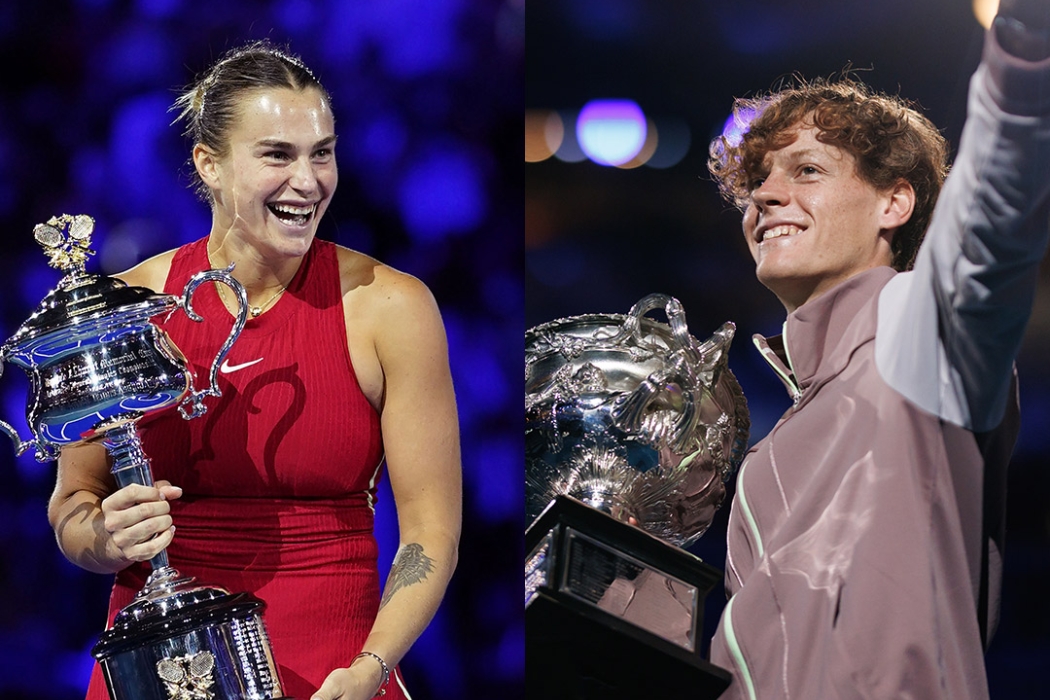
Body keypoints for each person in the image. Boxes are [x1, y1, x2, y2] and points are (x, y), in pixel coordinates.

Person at [46, 41, 462, 700]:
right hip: (162, 674)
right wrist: (105, 537)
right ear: (209, 165)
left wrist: (371, 669)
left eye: (322, 152)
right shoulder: (121, 311)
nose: (309, 180)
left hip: (338, 675)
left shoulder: (392, 308)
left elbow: (431, 533)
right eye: (277, 154)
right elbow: (73, 510)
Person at [704, 0, 1050, 697]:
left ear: (894, 203)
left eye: (805, 171)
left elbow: (996, 205)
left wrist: (1025, 40)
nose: (765, 196)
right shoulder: (766, 450)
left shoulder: (919, 335)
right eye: (757, 181)